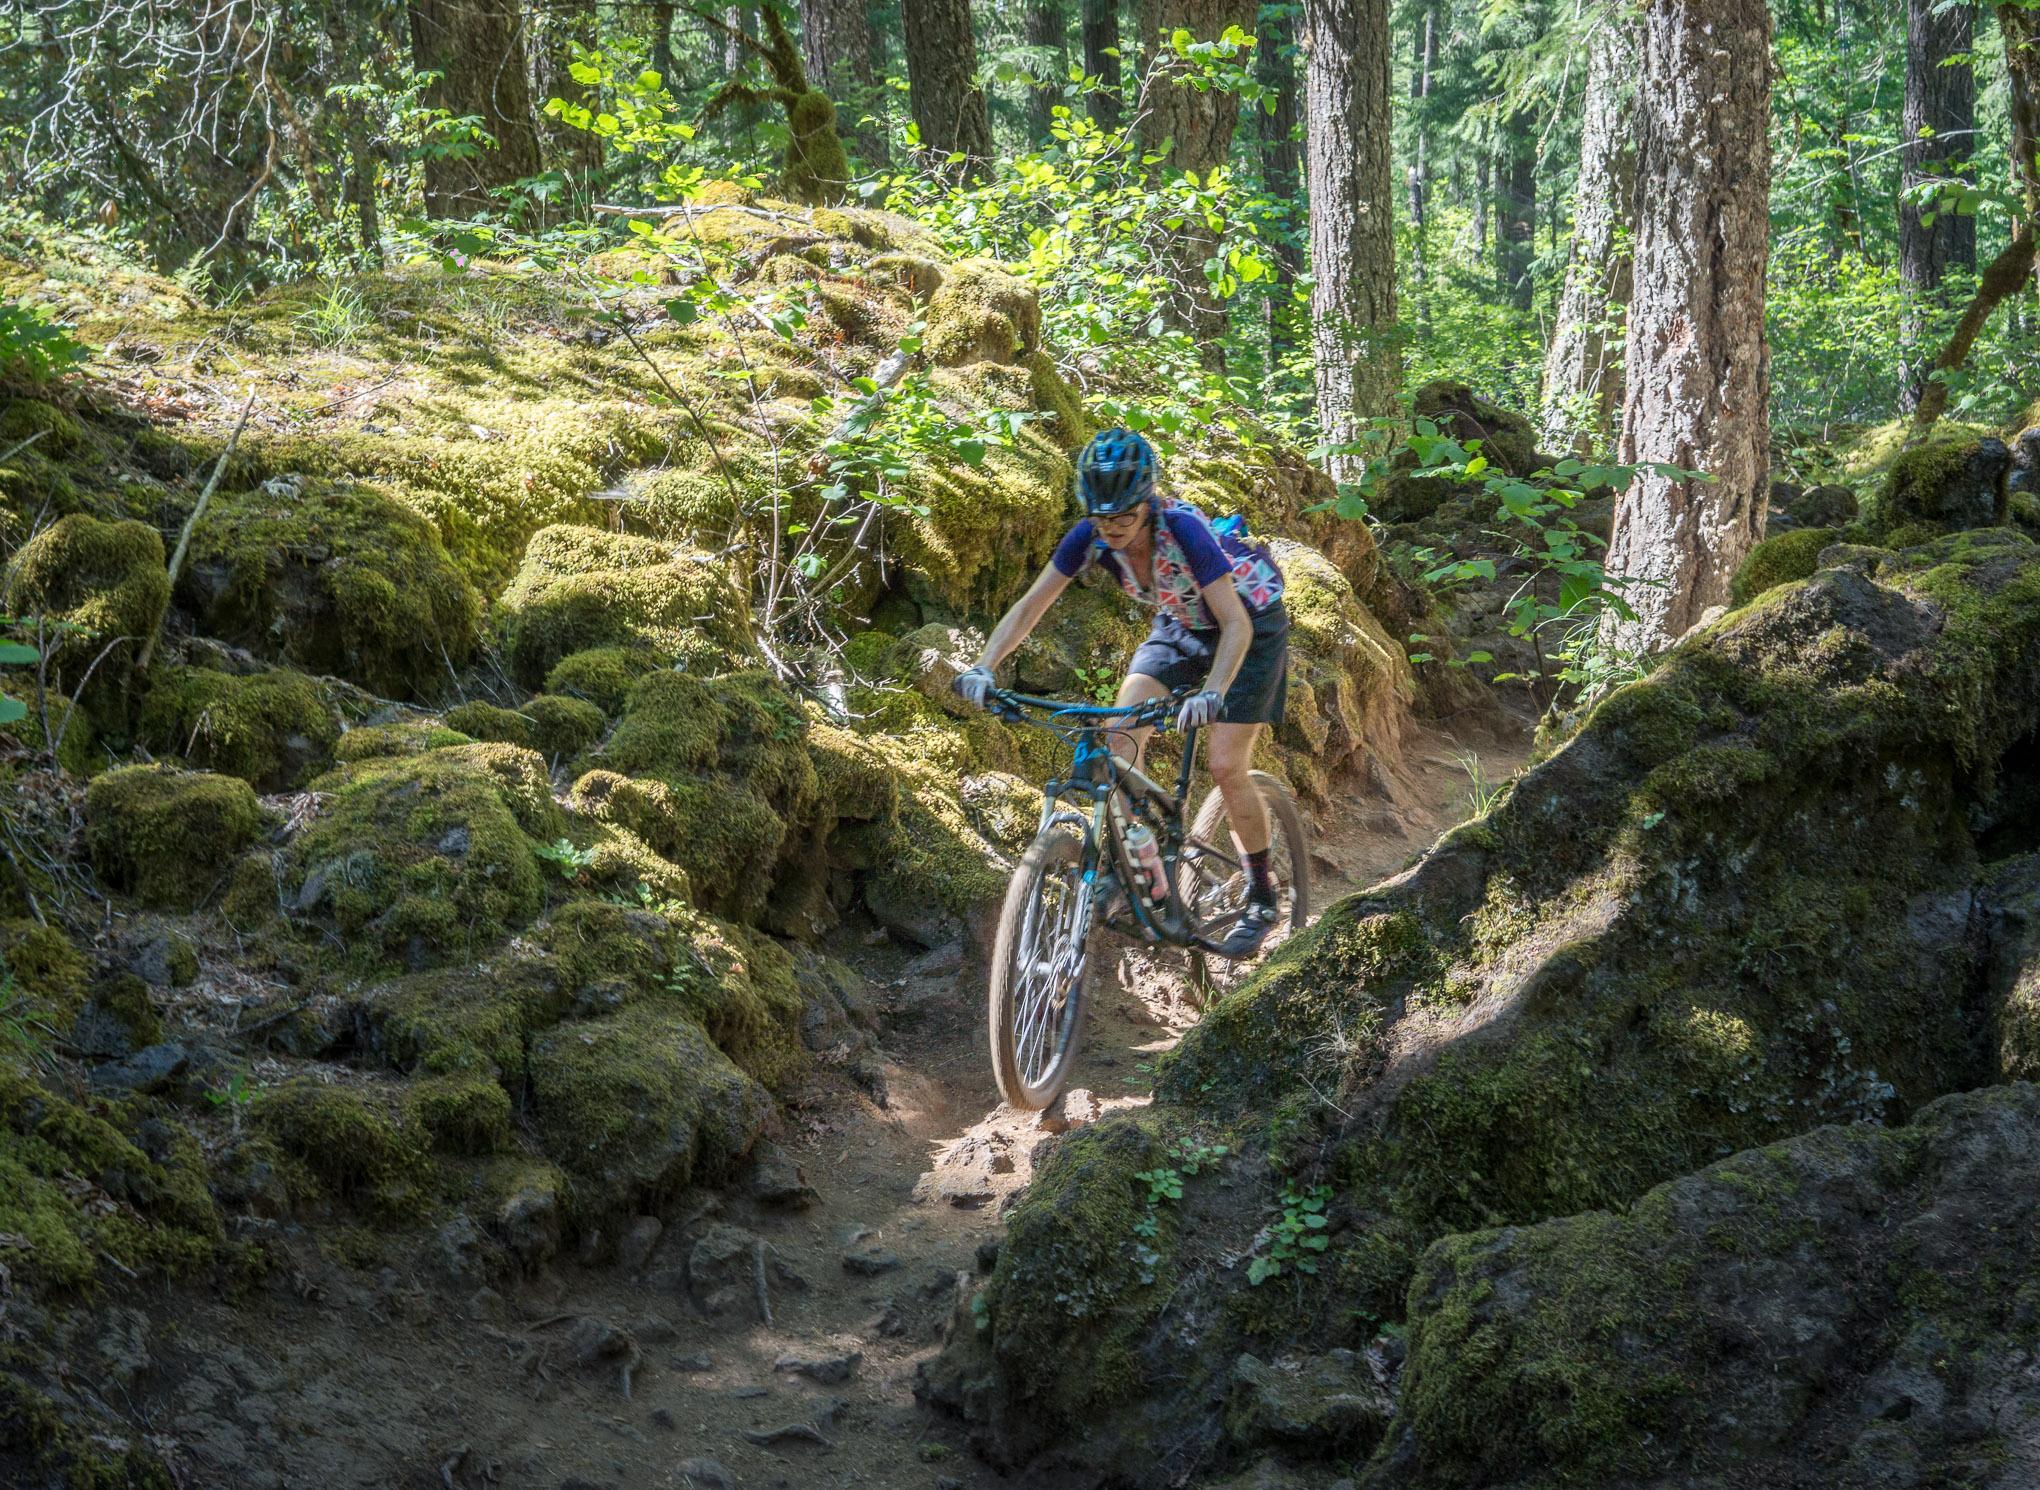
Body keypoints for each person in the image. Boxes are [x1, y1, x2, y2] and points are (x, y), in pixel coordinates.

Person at [952, 428, 1291, 958]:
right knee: (1116, 741)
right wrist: (984, 667)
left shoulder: (1182, 531)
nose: (1111, 530)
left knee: (1225, 765)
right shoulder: (1089, 536)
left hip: (1248, 624)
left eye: (1124, 518)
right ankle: (1143, 869)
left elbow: (1235, 625)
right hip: (1180, 622)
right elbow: (1030, 607)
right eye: (1101, 518)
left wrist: (1213, 691)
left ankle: (1263, 895)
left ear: (1148, 502)